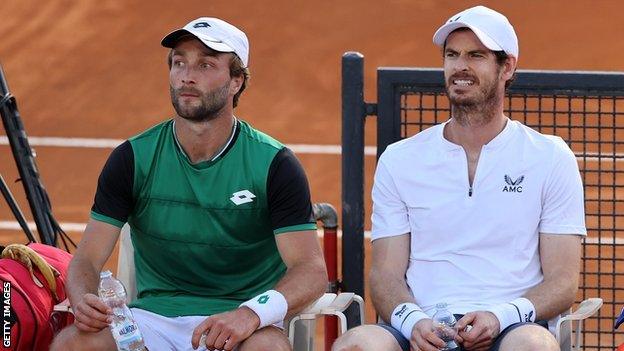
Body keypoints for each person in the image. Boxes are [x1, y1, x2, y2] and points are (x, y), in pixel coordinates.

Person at [51, 17, 327, 351]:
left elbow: (310, 270)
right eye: (179, 62)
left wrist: (251, 314)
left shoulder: (275, 165)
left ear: (237, 81)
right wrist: (83, 300)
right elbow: (87, 260)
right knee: (72, 343)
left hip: (241, 323)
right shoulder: (132, 158)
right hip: (154, 317)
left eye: (206, 65)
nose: (187, 76)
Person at [333, 5, 585, 351]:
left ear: (507, 67)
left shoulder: (551, 157)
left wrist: (501, 316)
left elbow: (563, 281)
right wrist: (413, 321)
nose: (460, 66)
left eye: (476, 56)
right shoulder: (400, 159)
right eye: (452, 55)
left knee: (532, 345)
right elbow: (385, 275)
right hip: (421, 327)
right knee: (357, 344)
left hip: (512, 327)